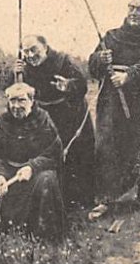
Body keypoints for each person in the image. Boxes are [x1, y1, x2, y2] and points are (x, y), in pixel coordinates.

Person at [87, 0, 140, 218]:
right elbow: (92, 65)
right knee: (109, 144)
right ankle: (106, 198)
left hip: (137, 97)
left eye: (139, 9)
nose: (134, 13)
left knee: (139, 142)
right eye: (131, 8)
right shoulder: (111, 36)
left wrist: (129, 76)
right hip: (110, 98)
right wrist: (101, 58)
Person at [15, 34, 95, 210]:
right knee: (50, 156)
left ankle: (83, 202)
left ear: (45, 47)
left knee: (76, 156)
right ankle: (56, 201)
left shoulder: (63, 60)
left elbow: (82, 84)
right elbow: (16, 92)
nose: (30, 55)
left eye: (33, 49)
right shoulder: (24, 68)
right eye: (26, 51)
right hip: (45, 118)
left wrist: (67, 85)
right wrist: (16, 75)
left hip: (71, 116)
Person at [0, 82, 65, 239]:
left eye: (21, 100)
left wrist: (32, 167)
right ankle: (11, 233)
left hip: (37, 174)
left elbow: (54, 153)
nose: (16, 106)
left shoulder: (43, 120)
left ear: (32, 101)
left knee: (46, 180)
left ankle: (43, 237)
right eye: (12, 101)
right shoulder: (1, 122)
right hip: (10, 174)